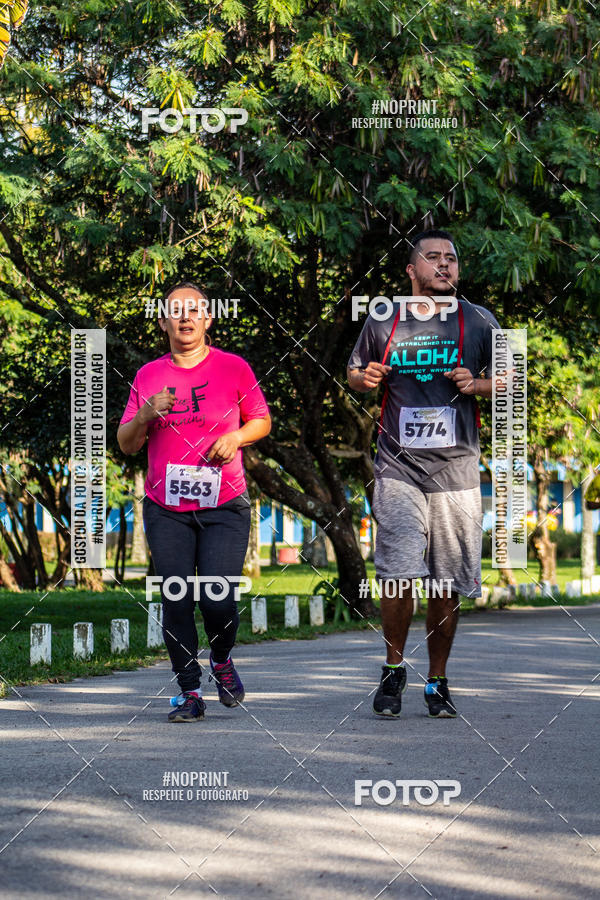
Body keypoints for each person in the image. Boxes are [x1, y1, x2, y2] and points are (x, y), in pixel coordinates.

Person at [347, 230, 500, 718]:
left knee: (446, 582)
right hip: (398, 467)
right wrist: (365, 378)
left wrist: (478, 384)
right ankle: (393, 670)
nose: (444, 264)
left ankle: (437, 680)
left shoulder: (479, 320)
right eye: (432, 257)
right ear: (412, 270)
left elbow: (513, 380)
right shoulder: (384, 318)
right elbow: (355, 372)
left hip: (457, 471)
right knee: (397, 574)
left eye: (451, 258)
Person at [118, 281, 271, 722]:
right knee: (177, 598)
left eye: (194, 310)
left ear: (208, 319)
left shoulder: (233, 367)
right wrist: (144, 415)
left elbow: (261, 420)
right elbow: (126, 443)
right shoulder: (148, 376)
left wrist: (235, 438)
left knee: (218, 599)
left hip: (224, 503)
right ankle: (189, 690)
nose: (185, 317)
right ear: (163, 322)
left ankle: (221, 659)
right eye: (175, 311)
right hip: (166, 508)